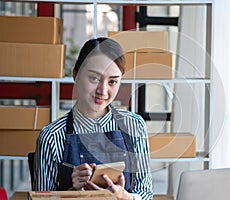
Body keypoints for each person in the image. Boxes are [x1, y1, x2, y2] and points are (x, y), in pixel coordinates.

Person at [33, 37, 153, 200]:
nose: (102, 91)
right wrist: (71, 191)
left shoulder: (134, 126)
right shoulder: (51, 137)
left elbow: (145, 194)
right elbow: (42, 199)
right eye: (94, 78)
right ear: (76, 75)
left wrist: (125, 197)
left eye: (112, 81)